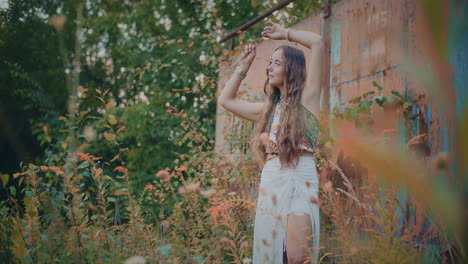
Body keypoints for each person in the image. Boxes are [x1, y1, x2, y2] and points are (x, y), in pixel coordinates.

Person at [218, 20, 323, 264]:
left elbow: (317, 43)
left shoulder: (308, 98)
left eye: (276, 62)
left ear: (292, 68)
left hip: (300, 176)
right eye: (269, 62)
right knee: (274, 254)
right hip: (273, 177)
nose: (270, 67)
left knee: (298, 258)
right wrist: (243, 66)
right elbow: (226, 100)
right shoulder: (269, 110)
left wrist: (284, 34)